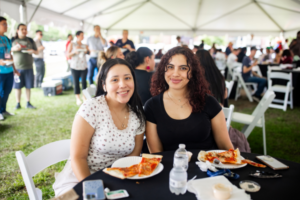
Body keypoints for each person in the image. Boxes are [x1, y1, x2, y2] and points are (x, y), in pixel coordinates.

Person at [53, 58, 145, 196]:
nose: (123, 84)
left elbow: (133, 156)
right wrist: (94, 191)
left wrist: (119, 183)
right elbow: (78, 157)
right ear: (104, 85)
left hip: (116, 180)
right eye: (114, 80)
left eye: (127, 78)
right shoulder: (92, 108)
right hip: (81, 178)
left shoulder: (137, 115)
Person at [144, 47, 233, 153]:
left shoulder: (209, 102)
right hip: (169, 168)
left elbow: (226, 147)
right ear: (163, 70)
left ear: (192, 73)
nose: (175, 73)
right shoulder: (152, 106)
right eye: (170, 67)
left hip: (207, 166)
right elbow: (156, 154)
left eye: (183, 68)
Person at [11, 23, 38, 109]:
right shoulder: (13, 40)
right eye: (22, 29)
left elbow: (37, 51)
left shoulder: (30, 40)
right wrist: (13, 49)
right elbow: (8, 51)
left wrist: (32, 51)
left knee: (28, 86)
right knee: (18, 87)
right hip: (17, 68)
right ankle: (18, 103)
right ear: (17, 30)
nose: (24, 31)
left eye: (25, 29)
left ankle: (28, 102)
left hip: (29, 67)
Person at [0, 16, 20, 120]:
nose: (6, 26)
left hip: (9, 70)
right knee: (0, 91)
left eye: (6, 24)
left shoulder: (6, 39)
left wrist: (15, 68)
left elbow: (9, 54)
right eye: (3, 24)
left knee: (7, 91)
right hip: (0, 71)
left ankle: (3, 110)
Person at [67, 31, 89, 106]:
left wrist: (86, 51)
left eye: (83, 35)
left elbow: (89, 52)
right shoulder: (72, 44)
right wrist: (74, 52)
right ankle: (78, 98)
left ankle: (84, 97)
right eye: (82, 35)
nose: (83, 37)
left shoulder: (85, 45)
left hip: (84, 66)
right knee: (76, 83)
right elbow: (68, 54)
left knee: (84, 83)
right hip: (75, 66)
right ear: (77, 36)